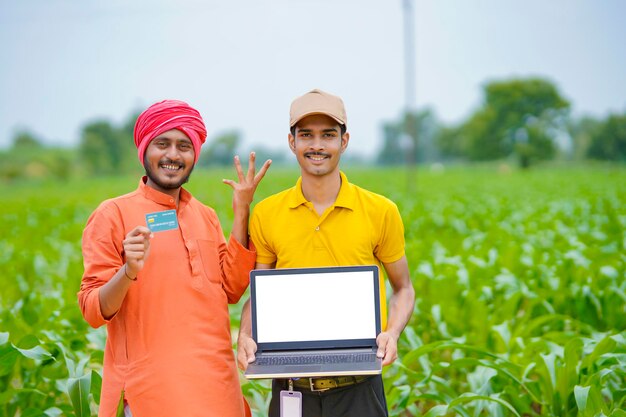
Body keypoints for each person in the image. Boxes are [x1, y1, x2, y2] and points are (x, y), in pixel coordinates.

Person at [78, 99, 271, 417]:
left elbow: (232, 289)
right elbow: (93, 311)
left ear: (194, 154)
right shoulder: (112, 214)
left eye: (184, 146)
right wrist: (128, 272)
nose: (172, 155)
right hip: (151, 396)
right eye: (162, 144)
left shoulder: (204, 216)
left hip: (217, 393)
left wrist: (241, 211)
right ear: (144, 150)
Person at [237, 89, 415, 417]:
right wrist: (245, 335)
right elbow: (259, 293)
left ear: (344, 141)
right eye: (306, 135)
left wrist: (392, 332)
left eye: (328, 135)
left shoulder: (380, 210)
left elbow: (403, 288)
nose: (317, 145)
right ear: (292, 142)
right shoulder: (266, 213)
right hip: (291, 388)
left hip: (359, 387)